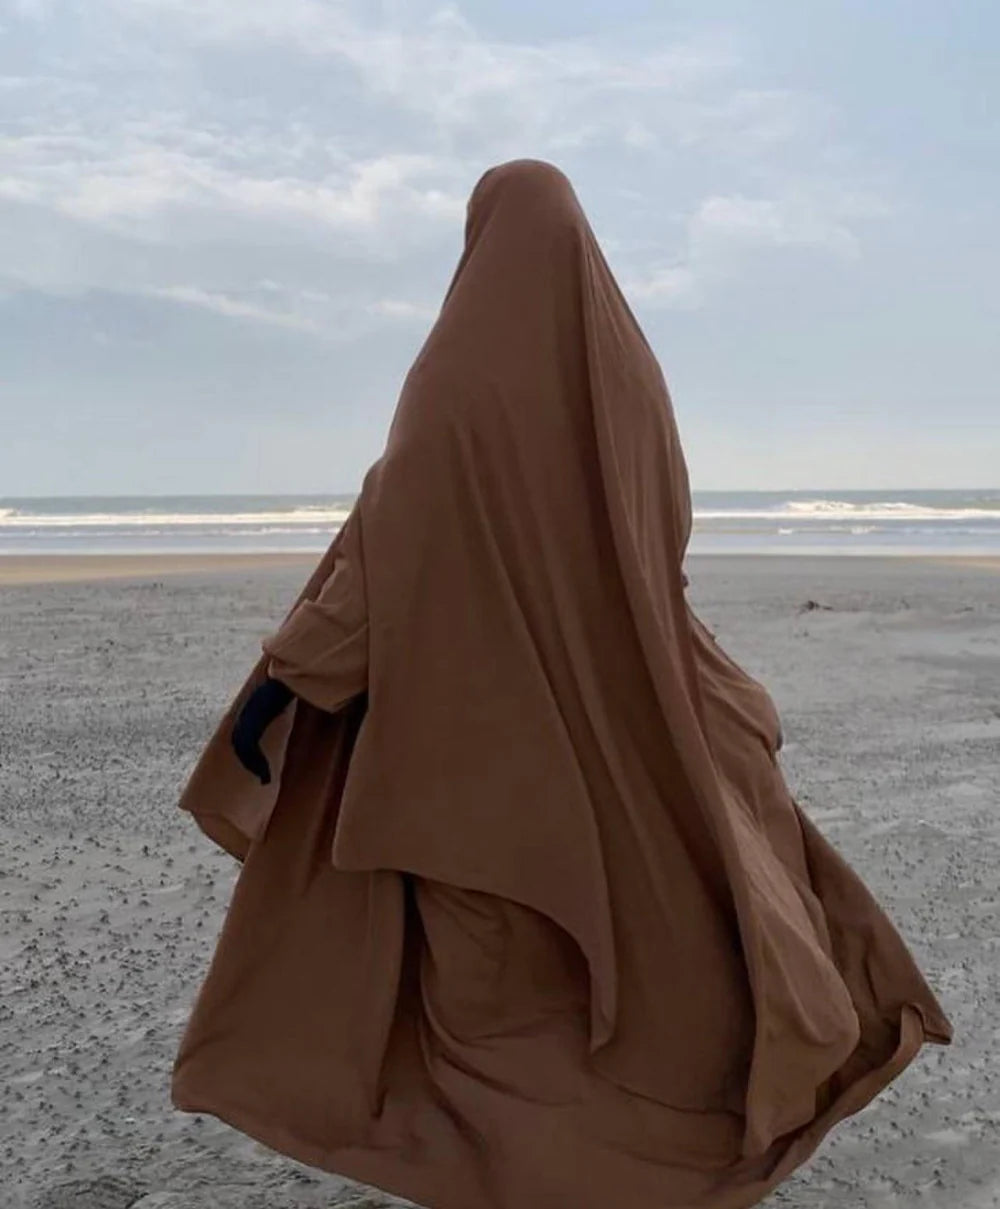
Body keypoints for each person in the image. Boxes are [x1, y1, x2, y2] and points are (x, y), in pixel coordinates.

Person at [171, 158, 952, 1209]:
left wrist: (281, 693)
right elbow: (652, 555)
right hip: (636, 718)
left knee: (502, 993)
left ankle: (538, 1172)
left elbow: (394, 547)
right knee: (667, 937)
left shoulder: (451, 386)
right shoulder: (628, 378)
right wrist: (705, 694)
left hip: (475, 755)